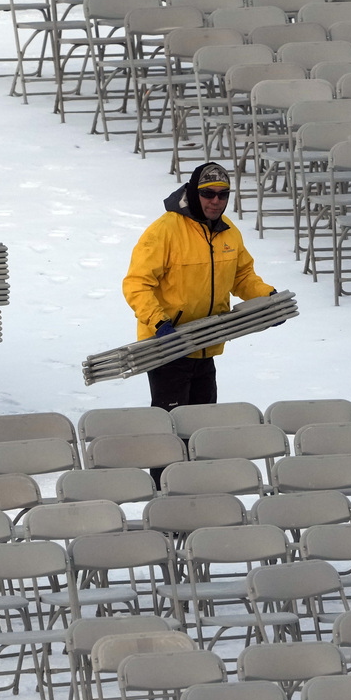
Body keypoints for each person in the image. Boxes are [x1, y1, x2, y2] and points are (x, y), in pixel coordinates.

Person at [124, 162, 278, 481]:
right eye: (208, 194)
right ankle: (165, 500)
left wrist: (267, 299)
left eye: (223, 195)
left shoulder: (228, 232)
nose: (215, 201)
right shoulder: (166, 229)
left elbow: (243, 276)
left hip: (206, 346)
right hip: (166, 350)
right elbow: (136, 283)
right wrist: (159, 323)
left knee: (202, 432)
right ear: (194, 194)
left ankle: (199, 495)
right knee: (172, 436)